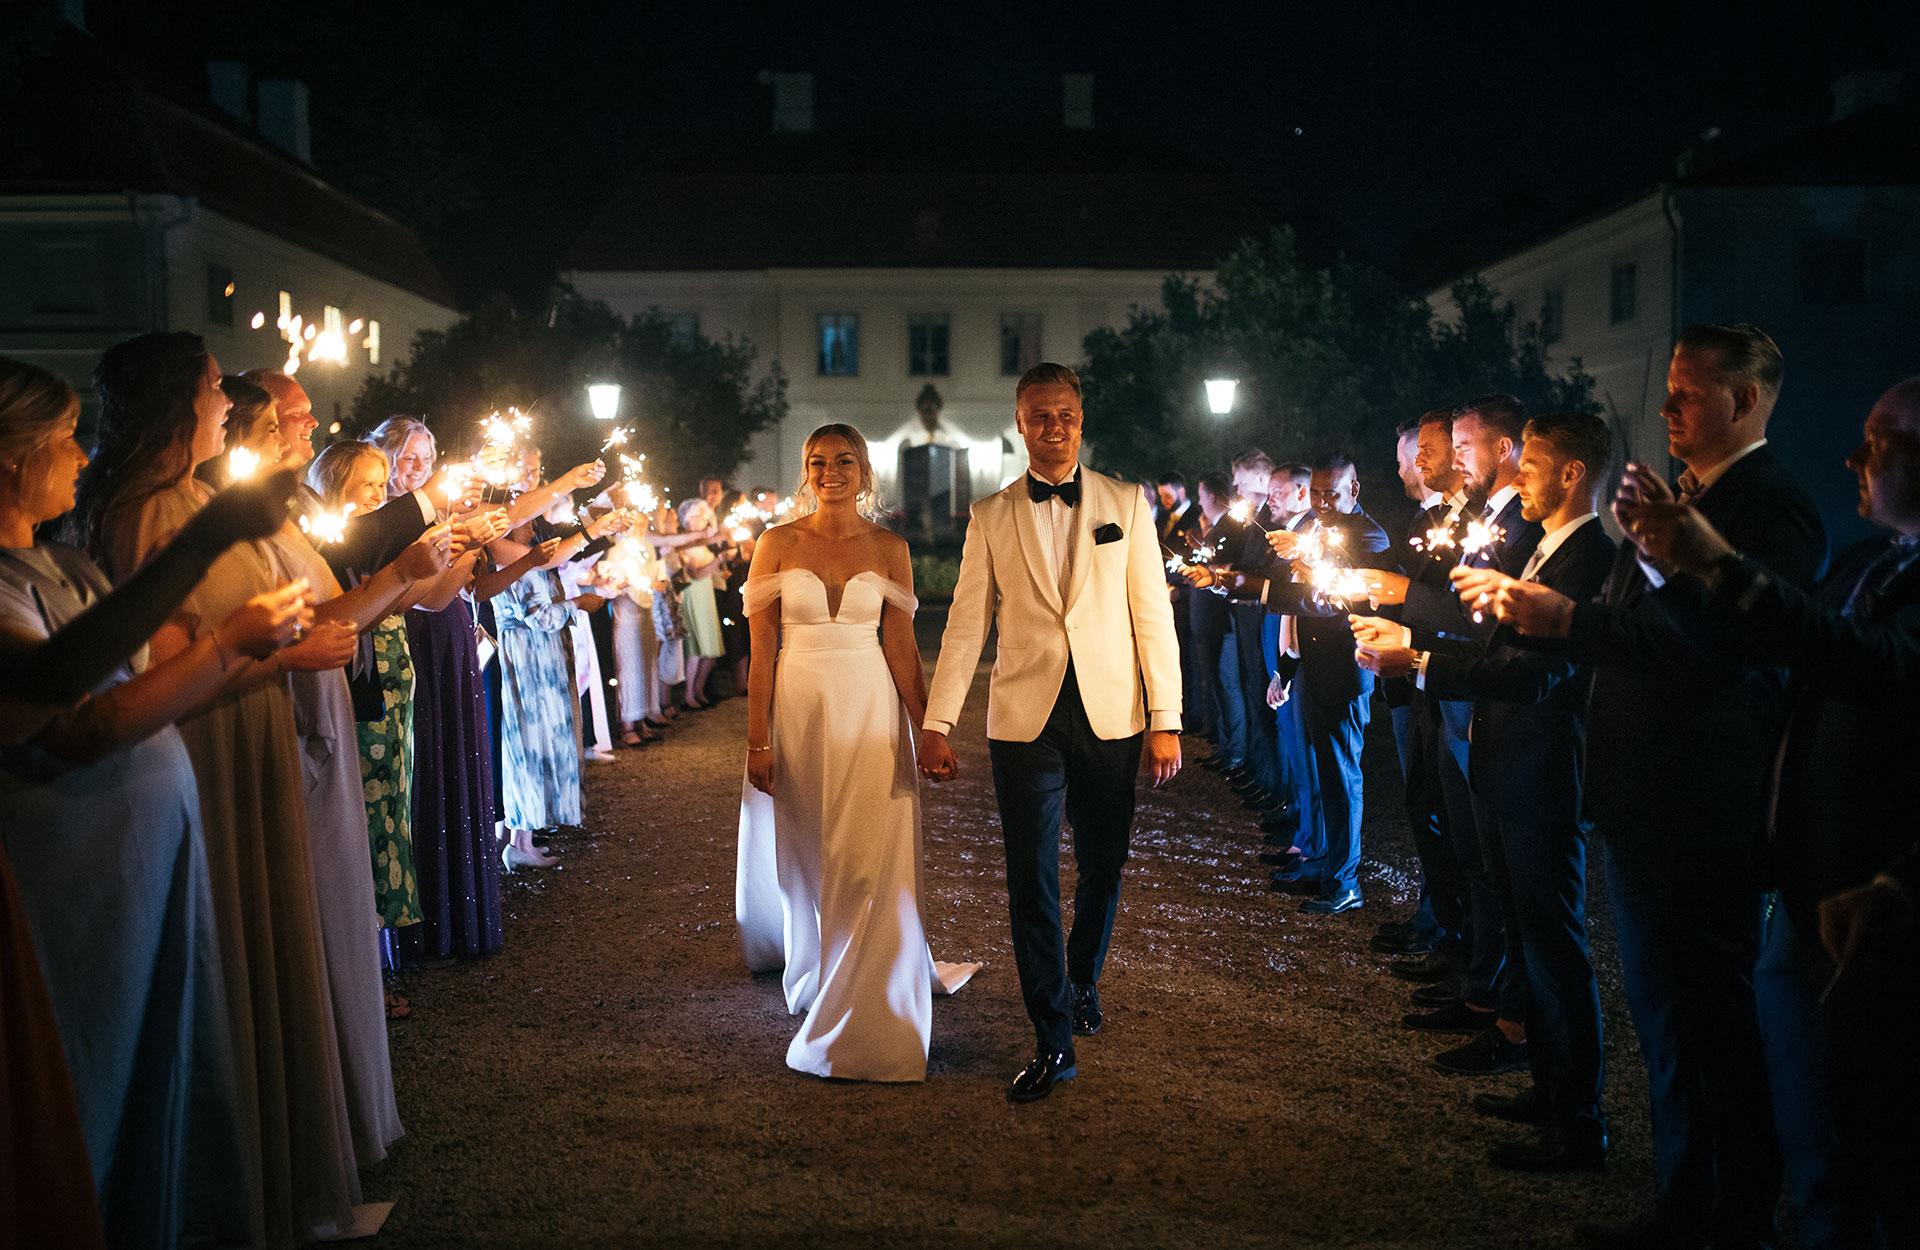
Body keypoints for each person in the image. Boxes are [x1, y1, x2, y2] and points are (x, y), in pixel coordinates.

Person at [1456, 325, 1827, 1250]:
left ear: (1743, 401)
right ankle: (1684, 1200)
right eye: (1665, 393)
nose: (1663, 412)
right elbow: (1648, 623)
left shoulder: (1772, 508)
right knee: (1665, 1017)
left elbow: (1721, 652)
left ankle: (1735, 1216)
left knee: (1714, 1023)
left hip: (1699, 804)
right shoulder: (1677, 497)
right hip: (1643, 797)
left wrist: (1568, 621)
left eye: (1686, 395)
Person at [0, 356, 310, 1249]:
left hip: (139, 866)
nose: (80, 451)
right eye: (59, 438)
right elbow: (71, 709)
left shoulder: (63, 560)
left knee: (161, 1072)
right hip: (73, 879)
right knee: (85, 1079)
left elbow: (130, 669)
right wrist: (228, 629)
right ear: (8, 458)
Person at [73, 331, 366, 1245]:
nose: (223, 405)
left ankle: (275, 1186)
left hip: (252, 727)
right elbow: (154, 670)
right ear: (176, 404)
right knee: (229, 944)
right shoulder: (153, 513)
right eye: (210, 389)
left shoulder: (203, 499)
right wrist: (274, 652)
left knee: (264, 942)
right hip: (206, 738)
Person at [1617, 375, 1920, 1247]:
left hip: (1874, 892)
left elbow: (1859, 662)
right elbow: (1789, 658)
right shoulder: (1871, 563)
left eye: (1883, 441)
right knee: (1810, 1113)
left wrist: (1713, 562)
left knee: (1873, 1134)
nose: (1856, 458)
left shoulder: (1794, 521)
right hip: (1806, 880)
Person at [1357, 411, 1616, 1167]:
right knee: (1529, 931)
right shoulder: (1545, 552)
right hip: (1506, 759)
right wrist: (1416, 644)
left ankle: (1581, 1120)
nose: (1515, 474)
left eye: (1531, 462)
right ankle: (1548, 1083)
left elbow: (1539, 673)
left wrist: (1422, 664)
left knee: (1556, 942)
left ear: (1571, 472)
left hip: (1542, 768)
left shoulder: (1588, 557)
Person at [920, 362, 1183, 1103]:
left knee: (1103, 863)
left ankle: (1082, 976)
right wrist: (937, 722)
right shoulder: (991, 515)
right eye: (1039, 416)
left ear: (1080, 416)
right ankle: (1053, 1039)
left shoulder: (1126, 504)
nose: (1054, 427)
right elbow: (966, 626)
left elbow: (1151, 619)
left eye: (1065, 413)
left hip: (1112, 713)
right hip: (1023, 722)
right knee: (1030, 875)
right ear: (1020, 422)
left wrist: (1166, 720)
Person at [734, 423, 978, 1082]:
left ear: (863, 471)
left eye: (844, 461)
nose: (830, 471)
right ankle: (818, 967)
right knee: (812, 848)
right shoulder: (776, 543)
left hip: (870, 704)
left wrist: (929, 728)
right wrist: (758, 739)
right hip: (802, 706)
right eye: (818, 461)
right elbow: (761, 652)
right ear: (805, 471)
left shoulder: (890, 546)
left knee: (870, 846)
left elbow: (900, 643)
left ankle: (873, 988)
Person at [1210, 454, 1391, 914]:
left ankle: (1345, 881)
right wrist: (1287, 668)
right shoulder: (1313, 530)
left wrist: (1264, 587)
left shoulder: (1369, 535)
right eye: (1318, 493)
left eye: (1333, 492)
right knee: (1322, 775)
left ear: (1354, 489)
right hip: (1311, 666)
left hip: (1346, 674)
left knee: (1343, 777)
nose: (1324, 502)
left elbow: (1329, 596)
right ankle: (1325, 863)